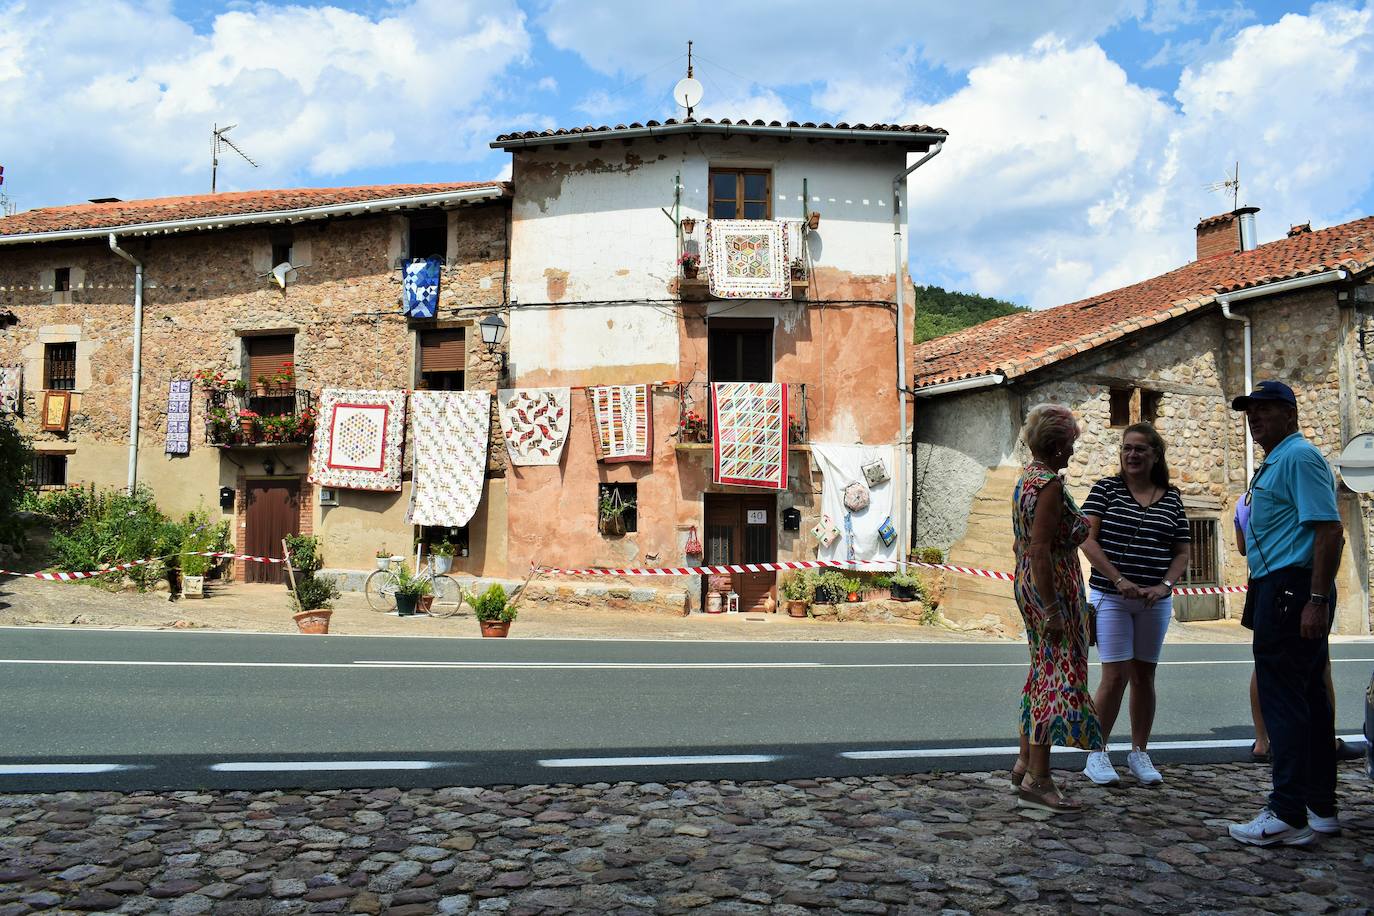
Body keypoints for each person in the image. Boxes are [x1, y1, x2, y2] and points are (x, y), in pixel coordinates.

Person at [1226, 381, 1343, 847]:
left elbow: (1329, 530)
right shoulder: (1276, 461)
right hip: (1279, 585)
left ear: (1290, 414)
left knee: (1285, 702)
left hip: (1293, 588)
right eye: (1250, 412)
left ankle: (1288, 810)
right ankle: (1320, 807)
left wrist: (1315, 600)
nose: (1255, 419)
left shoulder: (1298, 457)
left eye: (1266, 410)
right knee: (1309, 698)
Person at [1080, 423, 1190, 786]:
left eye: (1140, 449)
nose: (1132, 455)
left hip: (1154, 602)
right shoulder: (1106, 489)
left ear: (1155, 454)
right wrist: (1118, 579)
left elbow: (1182, 552)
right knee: (1115, 676)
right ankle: (1097, 753)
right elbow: (1087, 540)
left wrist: (1164, 586)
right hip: (1111, 597)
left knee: (1145, 675)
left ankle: (1140, 753)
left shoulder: (1172, 498)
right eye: (1127, 448)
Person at [1009, 403, 1104, 813]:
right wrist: (1053, 609)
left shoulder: (1026, 478)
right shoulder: (1047, 484)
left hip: (1031, 582)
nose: (1072, 450)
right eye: (1069, 443)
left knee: (1042, 671)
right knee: (1056, 679)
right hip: (1052, 588)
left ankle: (1024, 763)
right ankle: (1039, 779)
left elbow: (1023, 546)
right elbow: (1040, 548)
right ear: (1057, 444)